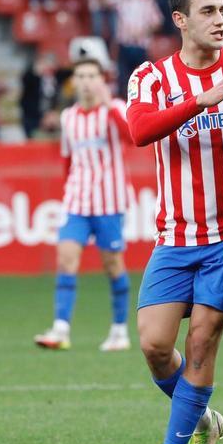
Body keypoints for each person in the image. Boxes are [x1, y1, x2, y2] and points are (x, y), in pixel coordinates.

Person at [123, 0, 223, 444]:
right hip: (174, 237)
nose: (220, 19)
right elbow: (139, 131)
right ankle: (201, 419)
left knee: (200, 344)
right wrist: (203, 100)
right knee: (155, 345)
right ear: (180, 20)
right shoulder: (150, 77)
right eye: (207, 11)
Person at [33, 60, 134, 352]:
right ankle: (61, 329)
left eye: (92, 76)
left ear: (101, 80)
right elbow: (67, 158)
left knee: (112, 264)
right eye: (81, 76)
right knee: (65, 258)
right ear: (74, 82)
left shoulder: (116, 108)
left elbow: (132, 138)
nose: (87, 81)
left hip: (109, 201)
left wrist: (110, 105)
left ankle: (118, 330)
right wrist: (68, 190)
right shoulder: (69, 117)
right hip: (77, 200)